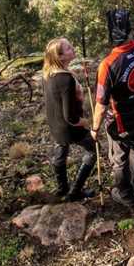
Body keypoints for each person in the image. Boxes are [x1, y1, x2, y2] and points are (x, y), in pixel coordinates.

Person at [91, 0, 134, 206]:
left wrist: (94, 128)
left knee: (119, 157)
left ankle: (125, 194)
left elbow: (100, 105)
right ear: (129, 32)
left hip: (122, 121)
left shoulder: (108, 65)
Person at [42, 37, 97, 201]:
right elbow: (71, 117)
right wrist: (87, 122)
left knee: (60, 152)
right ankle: (74, 192)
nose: (72, 48)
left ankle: (62, 189)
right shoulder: (65, 79)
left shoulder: (48, 74)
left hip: (55, 125)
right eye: (68, 48)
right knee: (94, 149)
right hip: (69, 126)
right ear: (60, 56)